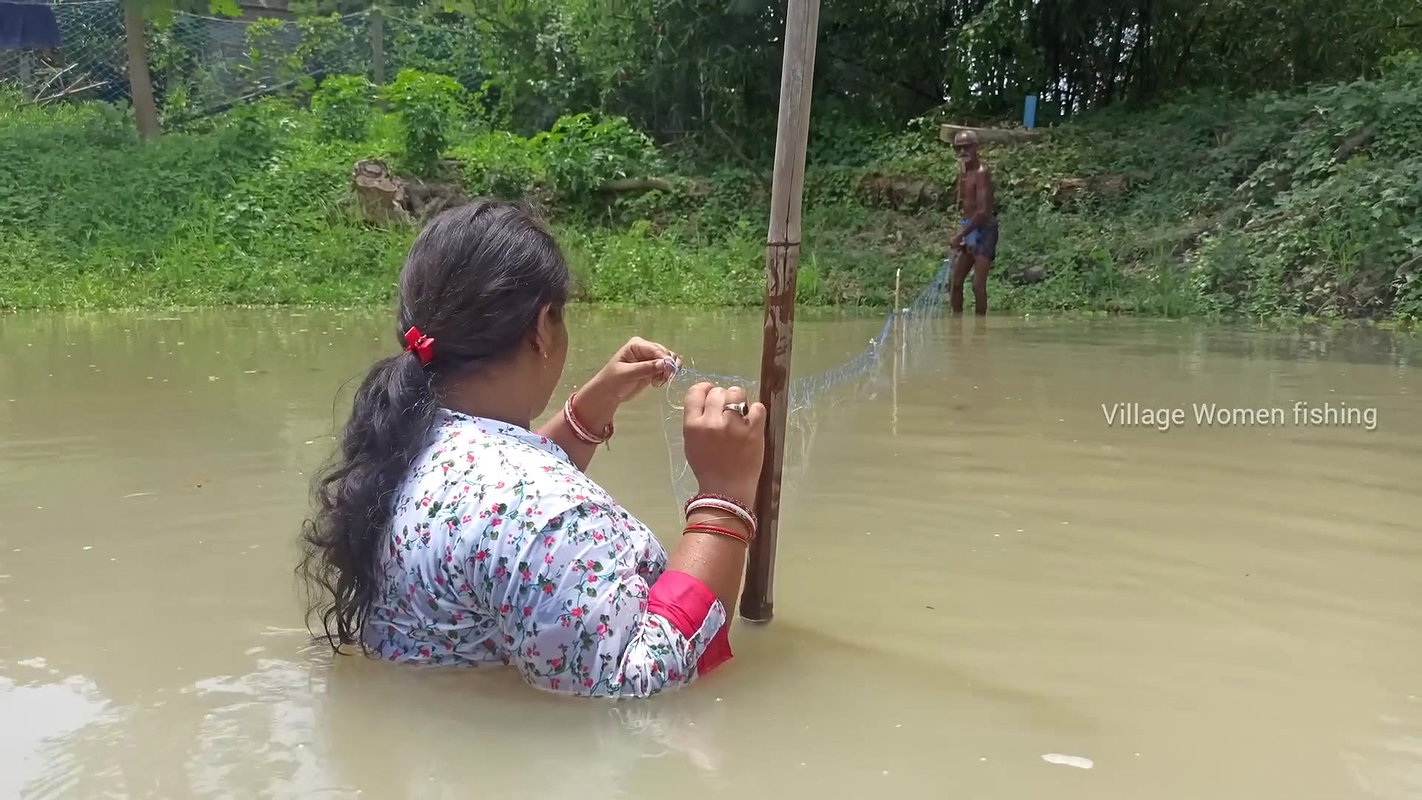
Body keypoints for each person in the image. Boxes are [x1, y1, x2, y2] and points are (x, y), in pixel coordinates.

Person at [298, 200, 767, 699]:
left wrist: (593, 408)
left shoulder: (406, 438)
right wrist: (724, 497)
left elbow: (504, 511)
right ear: (543, 327)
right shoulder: (544, 511)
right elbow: (634, 685)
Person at [948, 129, 997, 316]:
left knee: (978, 285)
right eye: (958, 148)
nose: (962, 151)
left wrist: (962, 234)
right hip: (970, 228)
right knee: (955, 282)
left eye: (967, 147)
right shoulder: (963, 173)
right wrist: (964, 235)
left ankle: (980, 325)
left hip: (985, 230)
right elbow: (966, 207)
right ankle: (956, 323)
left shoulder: (981, 173)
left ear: (976, 147)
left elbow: (983, 212)